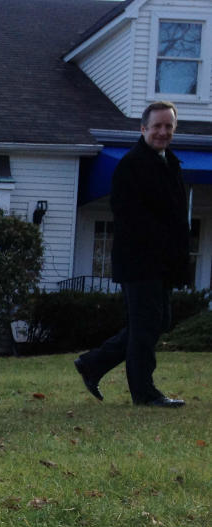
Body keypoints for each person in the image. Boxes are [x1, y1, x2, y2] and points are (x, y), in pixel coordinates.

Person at [75, 102, 188, 408]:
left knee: (157, 322)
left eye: (169, 127)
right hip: (139, 262)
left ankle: (92, 364)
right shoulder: (131, 165)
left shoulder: (171, 163)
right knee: (146, 326)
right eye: (157, 127)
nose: (163, 132)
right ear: (143, 129)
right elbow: (128, 217)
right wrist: (159, 246)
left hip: (162, 264)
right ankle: (144, 393)